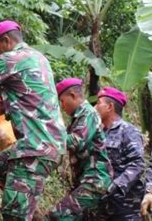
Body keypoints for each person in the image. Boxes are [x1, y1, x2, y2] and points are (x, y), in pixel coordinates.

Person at [0, 20, 66, 220]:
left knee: (15, 215)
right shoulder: (38, 58)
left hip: (33, 149)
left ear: (6, 41)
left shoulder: (9, 59)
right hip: (49, 145)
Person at [45, 78, 112, 220]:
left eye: (62, 101)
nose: (62, 106)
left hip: (95, 179)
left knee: (58, 215)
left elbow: (77, 141)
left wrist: (49, 135)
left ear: (73, 96)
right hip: (85, 180)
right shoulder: (78, 118)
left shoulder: (89, 114)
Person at [94, 87, 145, 220]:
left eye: (98, 103)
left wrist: (114, 187)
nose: (95, 107)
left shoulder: (128, 132)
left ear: (110, 107)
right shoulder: (97, 133)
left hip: (125, 205)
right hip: (101, 205)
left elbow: (137, 164)